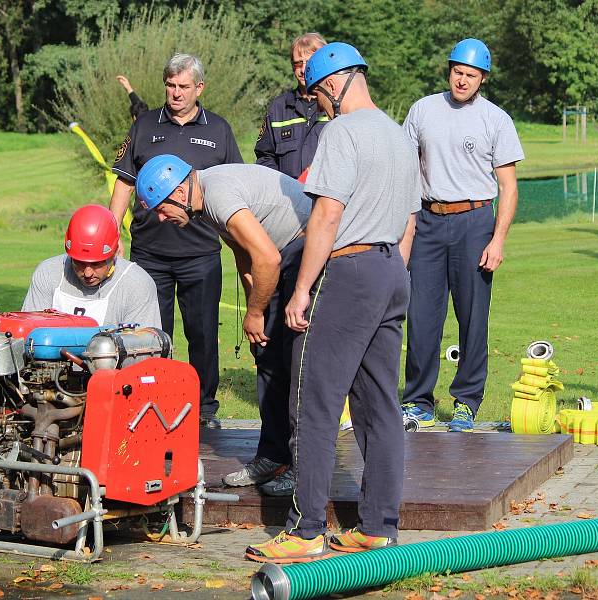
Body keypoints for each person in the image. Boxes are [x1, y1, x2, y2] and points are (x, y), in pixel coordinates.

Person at [245, 42, 420, 563]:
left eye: (320, 93)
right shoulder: (398, 134)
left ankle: (305, 529)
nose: (320, 104)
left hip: (349, 271)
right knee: (379, 405)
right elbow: (411, 219)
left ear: (338, 82)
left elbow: (326, 215)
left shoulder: (341, 131)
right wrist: (393, 273)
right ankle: (379, 527)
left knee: (313, 401)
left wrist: (301, 289)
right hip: (392, 270)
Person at [135, 156, 311, 496]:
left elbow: (268, 258)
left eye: (161, 208)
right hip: (281, 253)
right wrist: (254, 311)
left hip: (304, 248)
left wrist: (257, 311)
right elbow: (244, 254)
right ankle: (272, 456)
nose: (160, 218)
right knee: (268, 357)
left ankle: (302, 468)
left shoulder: (217, 195)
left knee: (297, 365)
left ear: (180, 191)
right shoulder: (204, 202)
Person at [109, 53, 243, 429]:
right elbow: (124, 181)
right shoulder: (144, 124)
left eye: (184, 86)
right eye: (171, 85)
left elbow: (234, 185)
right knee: (150, 335)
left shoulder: (218, 129)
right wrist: (111, 230)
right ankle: (153, 403)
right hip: (149, 253)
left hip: (201, 252)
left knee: (201, 334)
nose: (176, 93)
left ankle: (203, 408)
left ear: (199, 88)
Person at [401, 39, 524, 433]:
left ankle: (467, 402)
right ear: (449, 69)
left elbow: (508, 186)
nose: (463, 80)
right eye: (458, 71)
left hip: (475, 223)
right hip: (428, 220)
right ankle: (418, 401)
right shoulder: (423, 110)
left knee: (473, 318)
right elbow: (405, 170)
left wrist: (498, 239)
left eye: (472, 75)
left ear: (482, 79)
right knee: (421, 316)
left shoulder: (496, 119)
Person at [22, 204, 161, 328]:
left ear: (114, 254)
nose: (88, 273)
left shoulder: (137, 284)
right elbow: (27, 333)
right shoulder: (48, 273)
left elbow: (143, 347)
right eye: (79, 263)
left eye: (96, 264)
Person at [254, 33, 328, 179]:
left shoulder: (337, 107)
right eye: (298, 63)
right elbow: (265, 157)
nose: (303, 70)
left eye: (310, 62)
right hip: (286, 199)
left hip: (326, 199)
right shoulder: (278, 108)